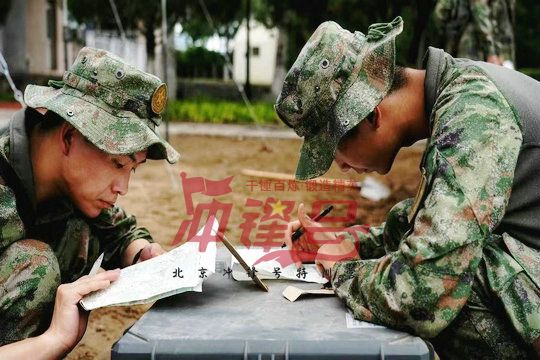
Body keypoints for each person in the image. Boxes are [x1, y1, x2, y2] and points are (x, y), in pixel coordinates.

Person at [275, 17, 540, 359]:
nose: (340, 164)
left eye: (333, 147)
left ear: (370, 115)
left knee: (454, 287)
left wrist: (340, 270)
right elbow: (429, 225)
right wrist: (349, 243)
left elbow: (421, 291)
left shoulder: (475, 113)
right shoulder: (458, 93)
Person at [0, 47, 180, 355]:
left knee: (79, 231)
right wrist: (53, 341)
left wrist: (142, 255)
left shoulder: (71, 187)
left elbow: (121, 233)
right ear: (69, 137)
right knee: (34, 264)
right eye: (117, 164)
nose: (123, 187)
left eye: (133, 168)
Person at [434, 0, 516, 68]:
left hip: (464, 48)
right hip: (477, 50)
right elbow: (480, 16)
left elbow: (440, 13)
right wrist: (491, 53)